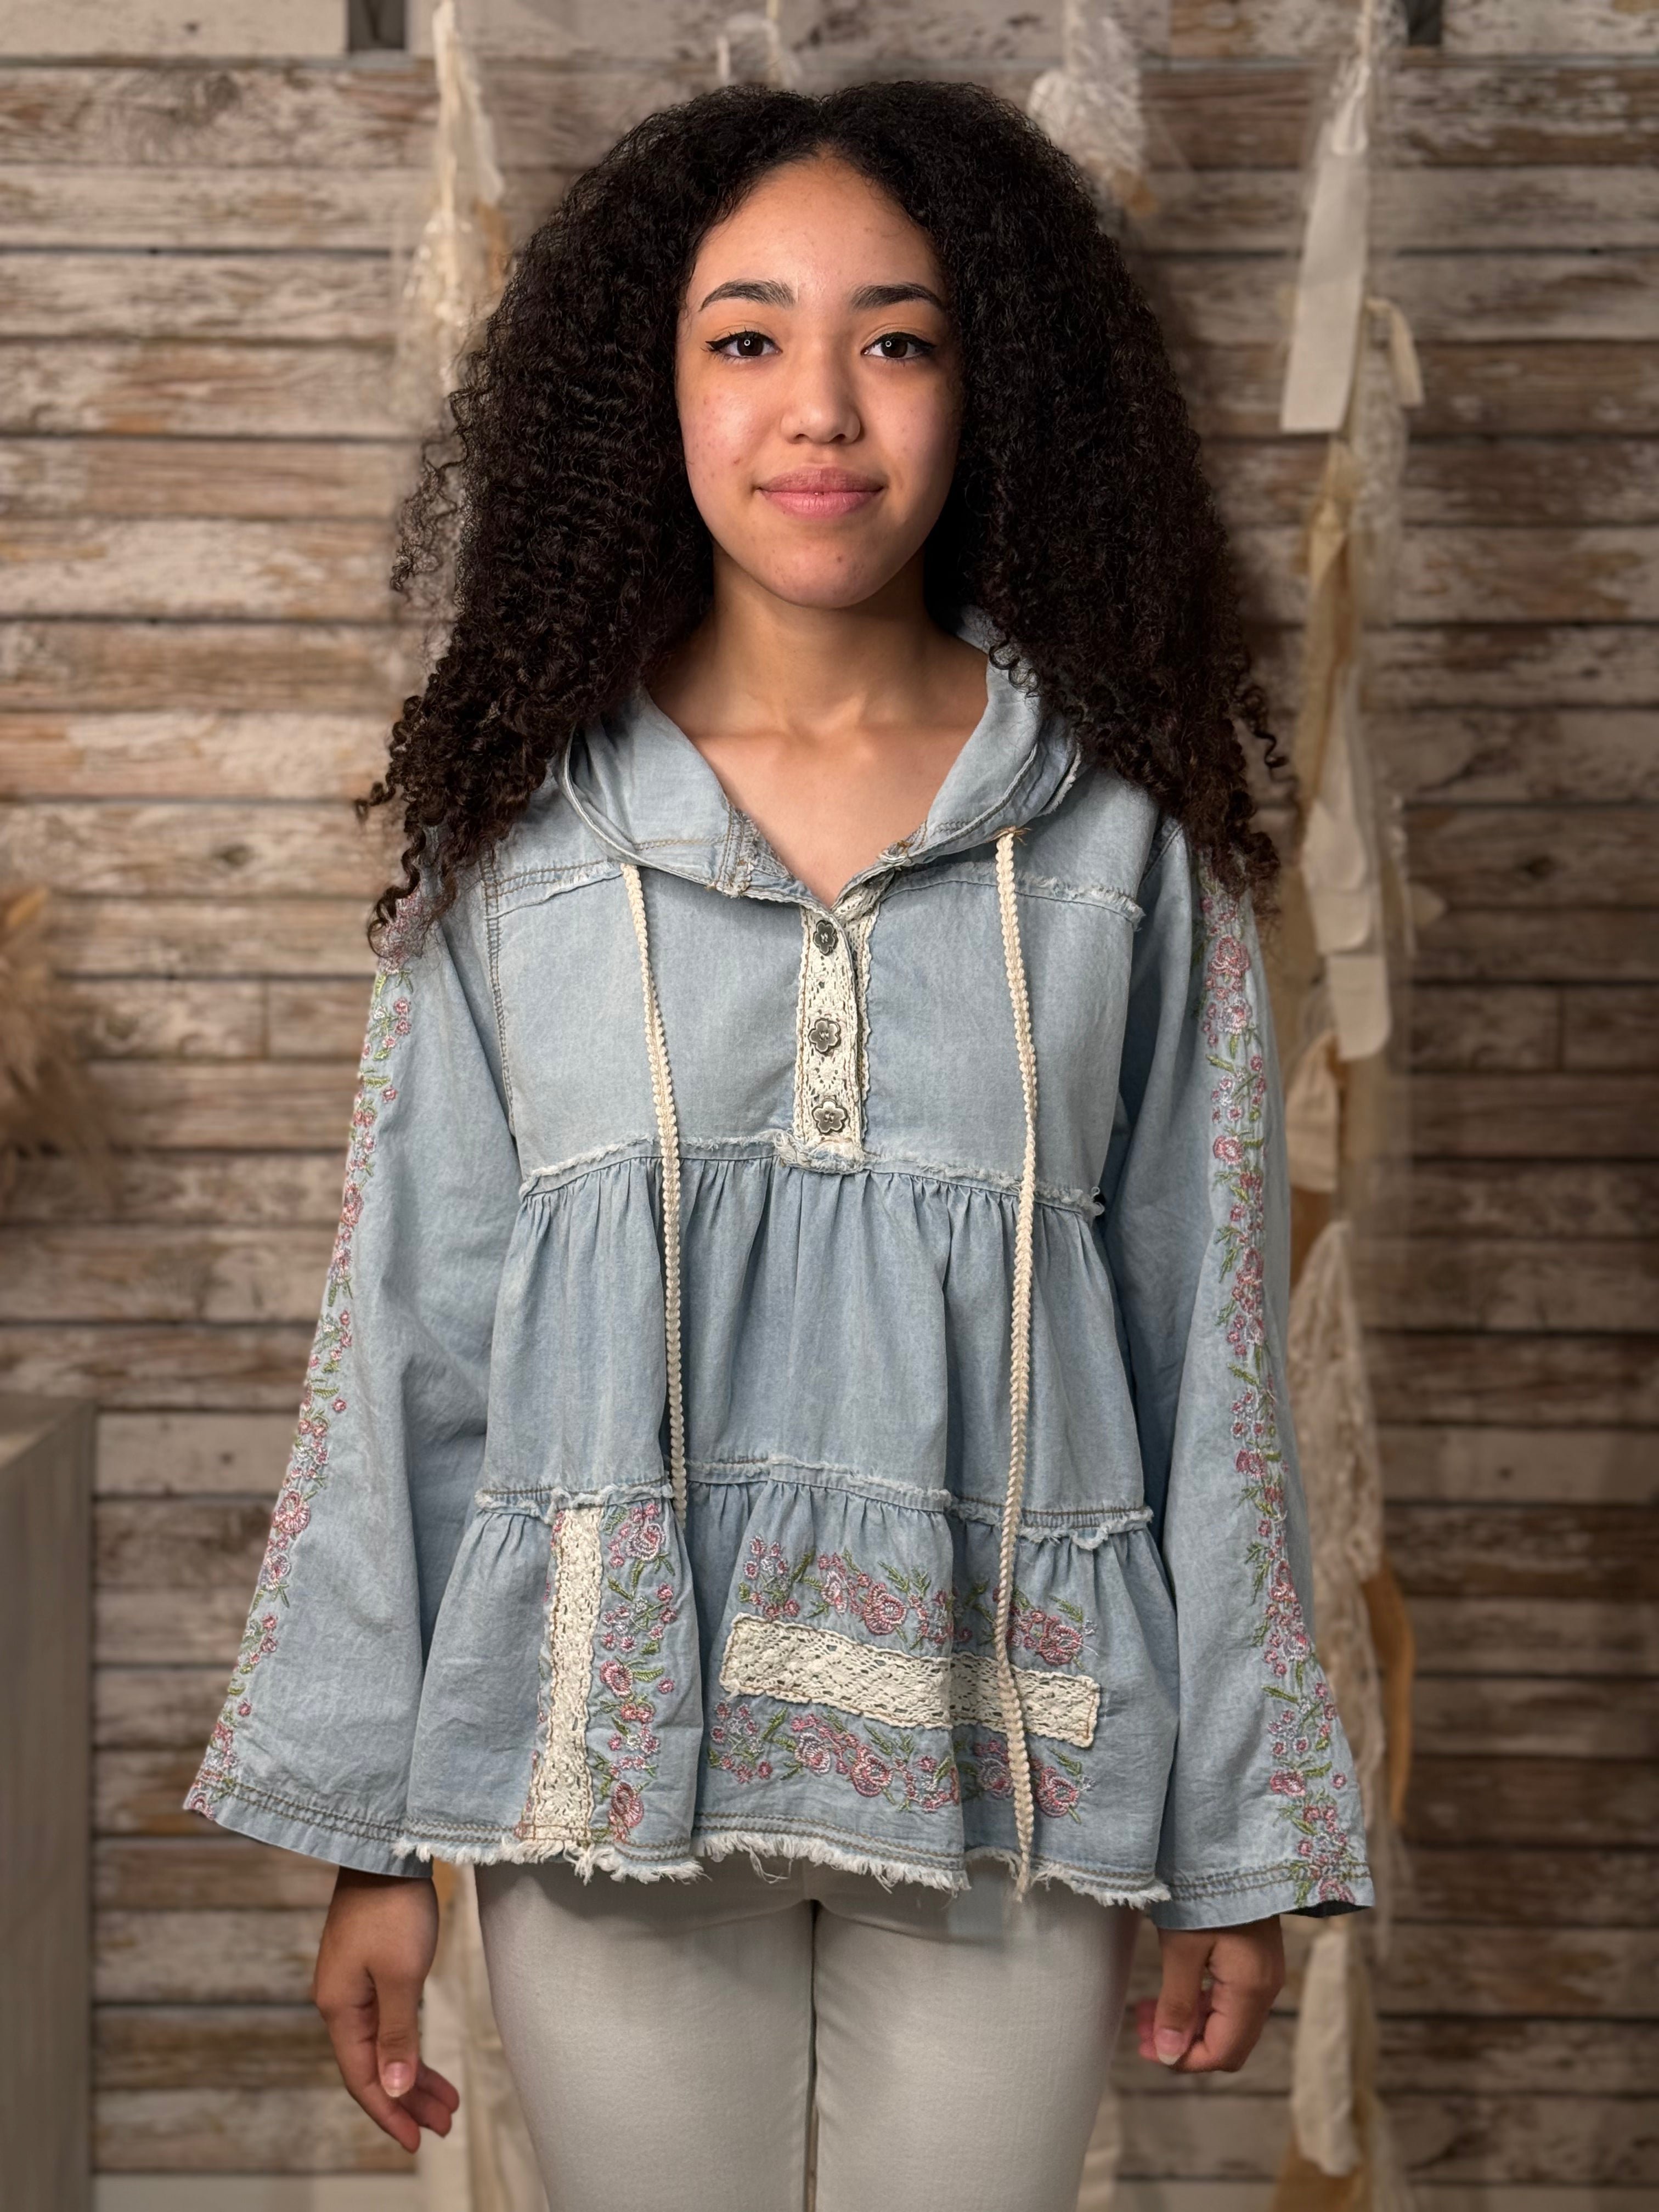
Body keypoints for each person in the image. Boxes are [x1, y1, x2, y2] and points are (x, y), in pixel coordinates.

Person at [187, 77, 1373, 2212]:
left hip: (1015, 1770)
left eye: (897, 339)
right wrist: (368, 1842)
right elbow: (410, 1342)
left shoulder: (1122, 845)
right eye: (746, 337)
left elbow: (1213, 1364)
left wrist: (1238, 1835)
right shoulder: (518, 839)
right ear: (643, 390)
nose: (820, 406)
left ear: (993, 389)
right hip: (603, 1776)